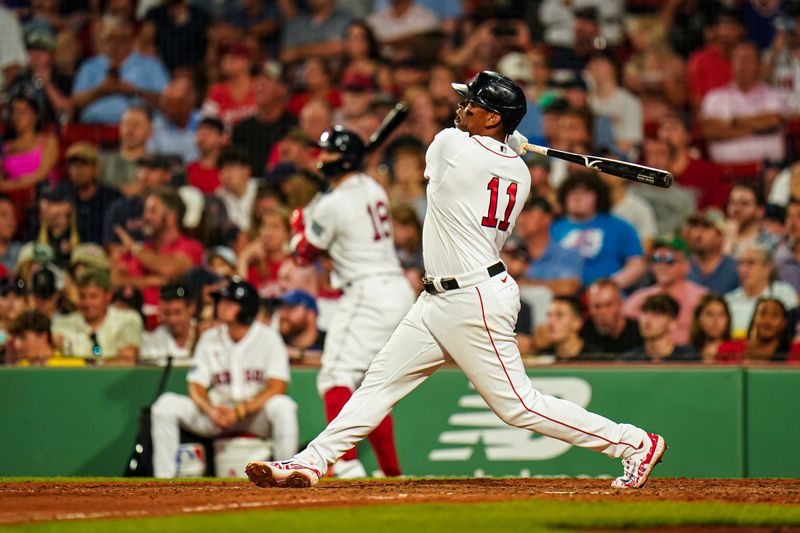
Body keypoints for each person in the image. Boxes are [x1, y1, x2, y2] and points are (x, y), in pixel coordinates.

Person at [246, 70, 666, 490]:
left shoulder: (450, 146)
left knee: (519, 407)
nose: (462, 108)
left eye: (474, 104)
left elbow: (457, 147)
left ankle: (632, 443)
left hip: (473, 298)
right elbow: (489, 162)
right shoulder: (521, 174)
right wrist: (506, 144)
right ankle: (312, 461)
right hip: (439, 299)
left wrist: (499, 142)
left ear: (493, 118)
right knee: (378, 383)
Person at [287, 126, 416, 478]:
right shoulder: (372, 187)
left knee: (334, 376)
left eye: (327, 153)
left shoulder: (330, 205)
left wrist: (298, 227)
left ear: (342, 159)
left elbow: (303, 255)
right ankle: (391, 472)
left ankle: (345, 465)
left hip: (367, 292)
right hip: (396, 289)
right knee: (368, 387)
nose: (320, 158)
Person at [150, 277, 298, 478]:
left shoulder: (269, 338)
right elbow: (195, 384)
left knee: (283, 406)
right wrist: (210, 410)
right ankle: (163, 480)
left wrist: (241, 411)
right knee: (165, 406)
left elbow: (277, 387)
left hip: (253, 414)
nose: (221, 305)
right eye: (222, 301)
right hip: (217, 414)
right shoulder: (210, 337)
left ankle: (285, 477)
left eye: (229, 302)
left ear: (245, 308)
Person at [112, 188, 204, 328]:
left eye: (152, 211)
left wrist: (135, 249)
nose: (145, 217)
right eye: (145, 211)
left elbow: (168, 269)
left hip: (171, 323)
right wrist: (154, 280)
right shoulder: (141, 249)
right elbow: (115, 279)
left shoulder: (190, 247)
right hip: (134, 321)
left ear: (171, 217)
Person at [552, 172, 647, 290]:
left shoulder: (620, 226)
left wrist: (610, 285)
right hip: (561, 294)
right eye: (572, 192)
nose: (577, 198)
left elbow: (637, 264)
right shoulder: (553, 229)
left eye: (585, 192)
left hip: (606, 299)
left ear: (598, 196)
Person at [701, 41, 787, 164]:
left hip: (770, 169)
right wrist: (757, 128)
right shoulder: (714, 97)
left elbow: (773, 121)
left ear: (759, 65)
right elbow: (712, 130)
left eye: (748, 60)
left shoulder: (774, 95)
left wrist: (732, 122)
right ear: (731, 64)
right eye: (738, 59)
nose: (742, 65)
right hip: (724, 172)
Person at [71, 18, 169, 125]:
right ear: (104, 41)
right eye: (112, 39)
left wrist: (136, 92)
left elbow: (166, 100)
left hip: (138, 126)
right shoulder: (89, 66)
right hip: (93, 126)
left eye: (123, 39)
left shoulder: (150, 64)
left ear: (132, 41)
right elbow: (76, 102)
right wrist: (99, 91)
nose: (117, 44)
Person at [624, 239, 708, 346]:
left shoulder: (700, 298)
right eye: (656, 259)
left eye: (669, 260)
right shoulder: (638, 300)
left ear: (686, 266)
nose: (661, 266)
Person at [52, 268, 142, 365]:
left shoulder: (127, 320)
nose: (87, 303)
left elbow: (126, 361)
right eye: (82, 296)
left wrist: (87, 366)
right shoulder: (63, 324)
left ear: (108, 296)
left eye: (93, 296)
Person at [231, 63, 296, 178]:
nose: (259, 85)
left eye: (267, 80)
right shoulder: (241, 130)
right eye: (257, 80)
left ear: (283, 88)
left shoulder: (294, 127)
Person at [725, 245, 798, 338]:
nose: (743, 269)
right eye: (740, 263)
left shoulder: (784, 293)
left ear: (767, 269)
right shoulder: (729, 300)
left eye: (750, 263)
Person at [0, 96, 59, 210]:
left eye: (22, 112)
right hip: (13, 203)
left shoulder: (48, 141)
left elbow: (42, 174)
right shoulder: (4, 146)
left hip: (46, 199)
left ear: (35, 116)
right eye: (14, 112)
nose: (17, 117)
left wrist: (10, 185)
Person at [64, 142, 122, 245]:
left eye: (82, 166)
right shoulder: (63, 195)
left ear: (96, 169)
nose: (77, 171)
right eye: (73, 166)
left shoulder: (112, 197)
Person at [622, 294, 699, 363]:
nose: (646, 320)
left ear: (672, 323)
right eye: (644, 312)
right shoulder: (629, 359)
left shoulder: (689, 358)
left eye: (656, 314)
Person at [140, 282, 198, 366]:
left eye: (177, 313)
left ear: (192, 308)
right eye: (167, 313)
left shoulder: (204, 335)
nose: (172, 320)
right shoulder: (154, 340)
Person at [685, 208, 740, 295]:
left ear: (720, 236)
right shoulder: (681, 267)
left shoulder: (734, 270)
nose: (697, 234)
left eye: (706, 228)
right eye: (694, 227)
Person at [99, 105, 153, 193]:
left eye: (136, 125)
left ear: (150, 131)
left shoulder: (155, 165)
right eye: (126, 124)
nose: (129, 130)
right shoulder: (102, 161)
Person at [146, 77, 201, 162]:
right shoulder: (157, 125)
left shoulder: (204, 123)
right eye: (164, 106)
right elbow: (151, 156)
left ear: (188, 104)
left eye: (171, 106)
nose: (165, 111)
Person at [214, 147, 259, 232]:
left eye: (230, 168)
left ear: (246, 170)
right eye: (222, 170)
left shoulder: (260, 190)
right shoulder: (218, 197)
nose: (225, 174)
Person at [536, 296, 592, 362]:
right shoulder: (542, 358)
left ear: (577, 322)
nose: (551, 322)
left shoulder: (596, 358)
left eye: (559, 315)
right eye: (549, 315)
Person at [277, 289, 325, 359]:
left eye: (290, 308)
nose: (282, 314)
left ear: (311, 314)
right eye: (281, 308)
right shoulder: (275, 340)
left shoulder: (329, 341)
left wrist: (298, 354)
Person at [186, 117, 226, 194]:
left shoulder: (227, 170)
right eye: (199, 133)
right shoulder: (189, 169)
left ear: (222, 138)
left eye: (208, 133)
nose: (203, 137)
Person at [689, 294, 732, 364]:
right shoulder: (687, 354)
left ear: (728, 319)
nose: (716, 320)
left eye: (721, 314)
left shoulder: (738, 353)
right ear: (698, 318)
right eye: (709, 314)